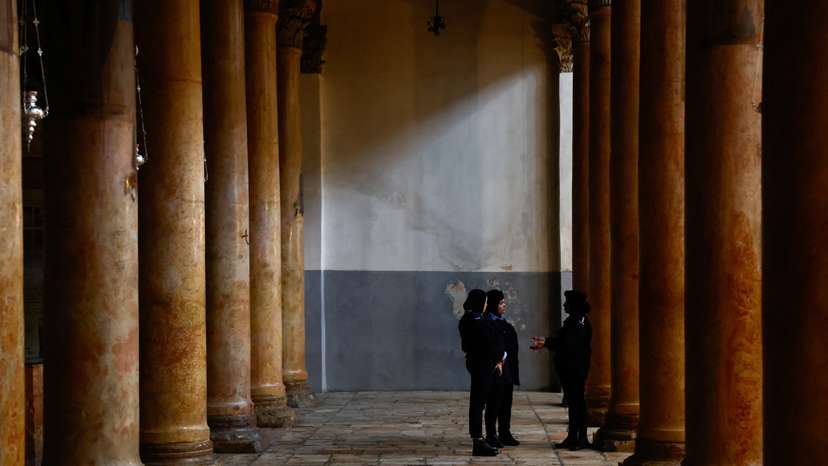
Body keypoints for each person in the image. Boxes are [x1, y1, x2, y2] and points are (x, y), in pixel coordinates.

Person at [531, 289, 592, 450]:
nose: (564, 305)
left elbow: (568, 344)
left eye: (567, 303)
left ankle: (581, 439)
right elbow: (563, 341)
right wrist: (547, 342)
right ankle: (573, 437)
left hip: (574, 370)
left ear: (573, 305)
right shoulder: (575, 321)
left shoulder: (578, 323)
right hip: (571, 369)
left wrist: (547, 343)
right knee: (574, 403)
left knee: (577, 403)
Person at [458, 289, 504, 456]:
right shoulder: (475, 320)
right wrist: (498, 358)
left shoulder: (471, 318)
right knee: (478, 402)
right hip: (482, 364)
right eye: (484, 302)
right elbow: (489, 343)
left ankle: (480, 438)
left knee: (479, 401)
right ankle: (478, 440)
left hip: (481, 363)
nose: (486, 305)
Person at [485, 289, 521, 447]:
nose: (504, 305)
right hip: (496, 371)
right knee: (494, 404)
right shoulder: (488, 323)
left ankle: (505, 433)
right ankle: (491, 435)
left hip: (507, 371)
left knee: (506, 404)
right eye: (500, 303)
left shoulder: (502, 322)